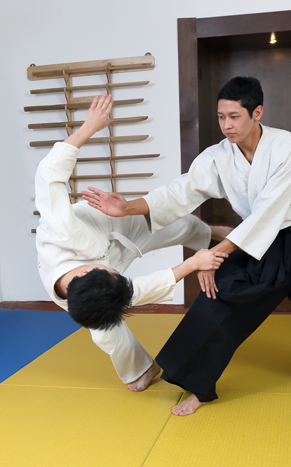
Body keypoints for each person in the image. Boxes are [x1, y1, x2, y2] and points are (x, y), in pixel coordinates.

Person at [83, 77, 291, 415]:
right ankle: (197, 387)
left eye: (234, 116)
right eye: (221, 117)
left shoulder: (287, 147)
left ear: (257, 112)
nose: (226, 125)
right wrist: (127, 207)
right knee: (216, 302)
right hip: (256, 246)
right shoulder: (217, 157)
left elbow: (269, 211)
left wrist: (215, 253)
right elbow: (179, 193)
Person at [35, 94, 228, 392]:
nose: (119, 274)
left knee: (180, 226)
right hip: (101, 263)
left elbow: (48, 177)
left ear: (87, 271)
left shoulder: (64, 229)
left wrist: (88, 127)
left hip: (112, 226)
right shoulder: (85, 300)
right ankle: (142, 368)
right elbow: (134, 292)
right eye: (116, 276)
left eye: (113, 275)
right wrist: (192, 265)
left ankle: (212, 231)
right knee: (105, 331)